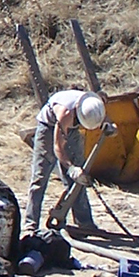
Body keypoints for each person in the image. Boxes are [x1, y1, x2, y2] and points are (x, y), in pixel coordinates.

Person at [21, 89, 107, 237]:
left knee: (77, 181)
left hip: (71, 130)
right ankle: (30, 225)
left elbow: (102, 117)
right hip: (48, 127)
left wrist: (109, 127)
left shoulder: (95, 104)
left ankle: (85, 224)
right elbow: (57, 147)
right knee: (39, 179)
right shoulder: (65, 114)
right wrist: (70, 167)